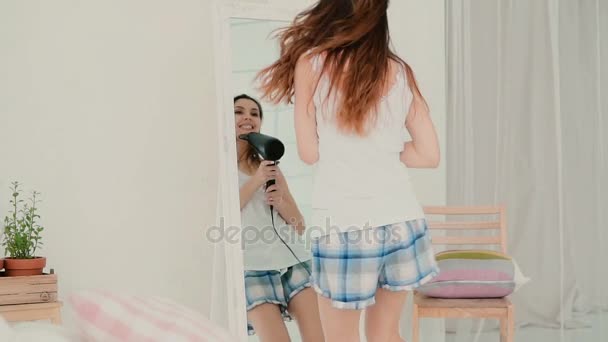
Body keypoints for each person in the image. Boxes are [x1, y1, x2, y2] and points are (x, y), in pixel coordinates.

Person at [256, 1, 441, 341]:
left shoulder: (312, 63)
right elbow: (429, 155)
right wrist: (383, 151)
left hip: (345, 224)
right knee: (385, 334)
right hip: (402, 221)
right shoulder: (400, 71)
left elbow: (309, 153)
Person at [234, 94, 324, 342]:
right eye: (239, 112)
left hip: (293, 261)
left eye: (254, 113)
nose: (247, 117)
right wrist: (256, 181)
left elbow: (299, 225)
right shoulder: (221, 168)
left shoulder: (270, 166)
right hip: (251, 267)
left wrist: (280, 201)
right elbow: (225, 213)